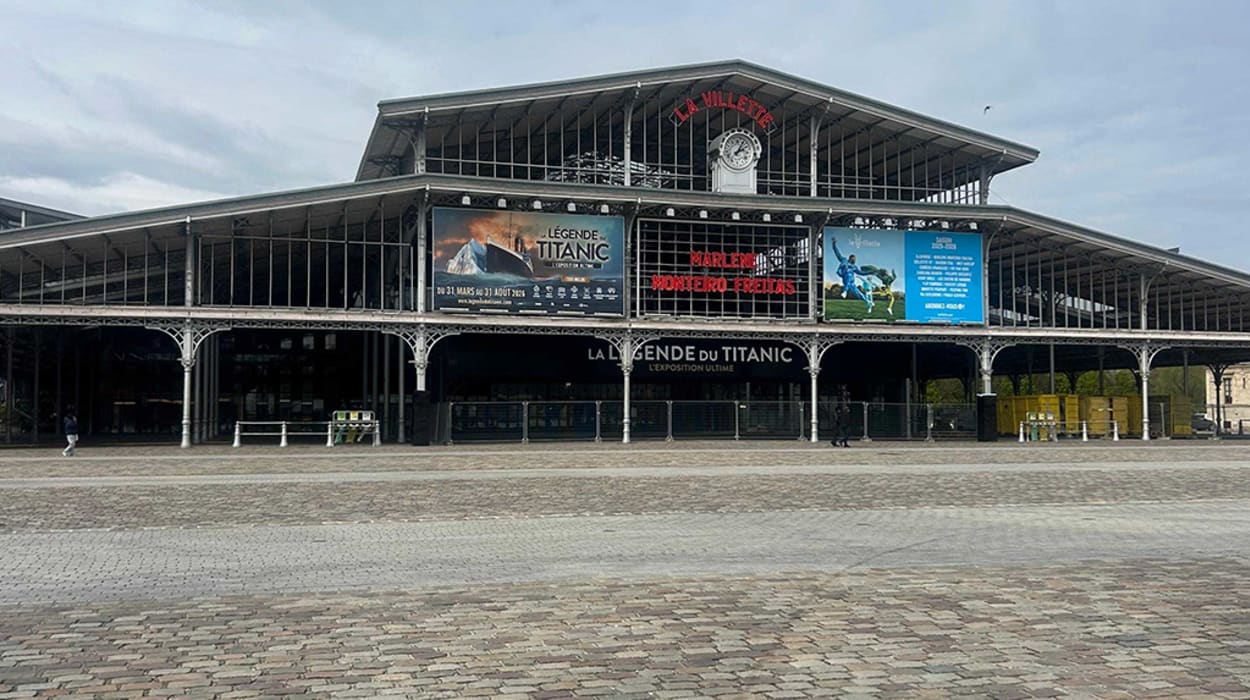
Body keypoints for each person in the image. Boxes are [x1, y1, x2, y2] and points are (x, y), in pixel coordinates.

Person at [830, 237, 874, 313]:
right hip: (845, 277)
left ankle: (869, 302)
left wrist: (870, 272)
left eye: (855, 260)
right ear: (850, 258)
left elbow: (861, 273)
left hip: (851, 283)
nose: (855, 260)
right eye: (854, 259)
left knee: (859, 294)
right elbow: (837, 253)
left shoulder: (854, 267)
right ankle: (845, 292)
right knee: (849, 275)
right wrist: (834, 244)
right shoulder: (844, 260)